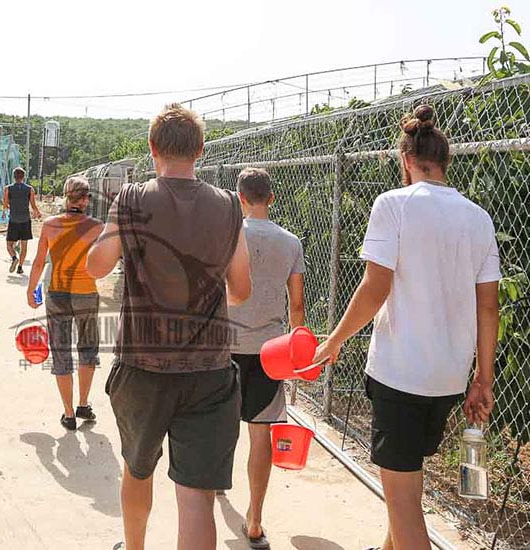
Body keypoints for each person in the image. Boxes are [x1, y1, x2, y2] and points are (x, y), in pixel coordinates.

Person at [313, 105, 500, 550]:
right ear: (444, 163)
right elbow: (488, 306)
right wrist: (483, 380)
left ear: (406, 161)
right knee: (407, 482)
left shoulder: (392, 205)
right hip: (449, 378)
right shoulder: (478, 218)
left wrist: (335, 339)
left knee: (403, 501)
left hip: (399, 375)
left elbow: (375, 288)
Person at [86, 103, 252, 550]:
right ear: (200, 149)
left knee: (138, 469)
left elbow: (96, 267)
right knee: (196, 496)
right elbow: (240, 288)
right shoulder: (228, 206)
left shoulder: (134, 198)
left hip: (143, 366)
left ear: (152, 148)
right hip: (209, 370)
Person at [227, 167, 305, 549]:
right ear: (271, 198)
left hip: (225, 345)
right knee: (261, 436)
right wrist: (297, 349)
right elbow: (297, 304)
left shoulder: (228, 234)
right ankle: (255, 518)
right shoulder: (290, 242)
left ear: (240, 198)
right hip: (270, 352)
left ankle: (211, 490)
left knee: (220, 425)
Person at [26, 176, 104, 430]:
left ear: (65, 197)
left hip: (57, 294)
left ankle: (68, 414)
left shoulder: (50, 225)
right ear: (84, 200)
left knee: (61, 351)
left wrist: (31, 289)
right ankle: (83, 403)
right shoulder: (96, 227)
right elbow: (102, 265)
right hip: (86, 293)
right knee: (88, 349)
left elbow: (39, 262)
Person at [3, 166, 41, 274]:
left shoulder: (8, 189)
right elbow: (33, 205)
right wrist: (37, 213)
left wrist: (12, 207)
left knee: (9, 244)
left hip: (13, 220)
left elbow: (5, 205)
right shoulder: (30, 189)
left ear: (14, 177)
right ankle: (20, 267)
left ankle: (14, 258)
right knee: (24, 245)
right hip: (25, 220)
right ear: (23, 177)